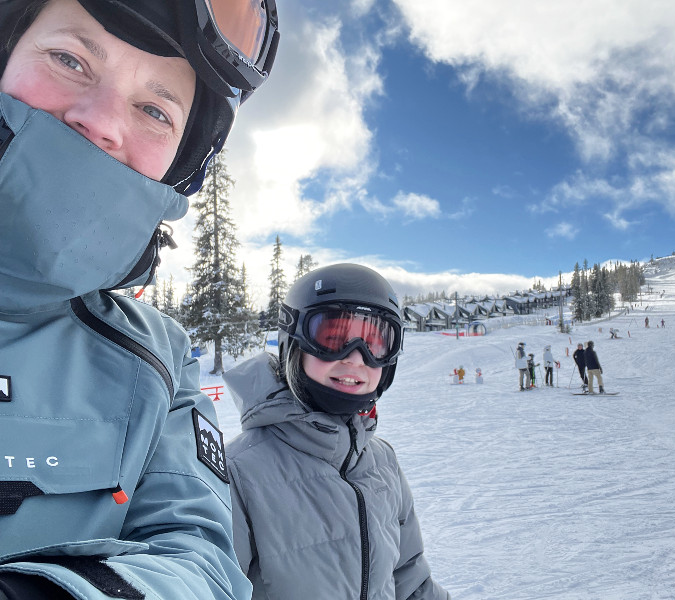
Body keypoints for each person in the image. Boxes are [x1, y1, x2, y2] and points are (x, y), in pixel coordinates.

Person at [0, 1, 279, 598]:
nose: (101, 123)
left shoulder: (156, 360)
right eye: (69, 59)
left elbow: (201, 558)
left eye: (155, 109)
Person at [223, 264, 450, 600]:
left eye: (375, 341)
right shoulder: (239, 471)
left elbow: (410, 581)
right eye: (333, 338)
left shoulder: (382, 461)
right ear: (294, 343)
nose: (356, 357)